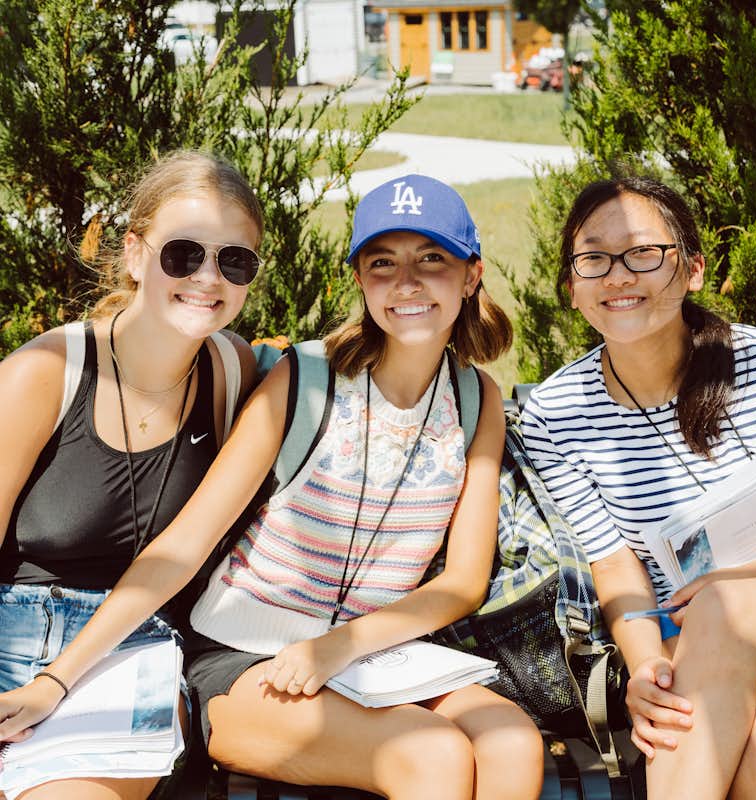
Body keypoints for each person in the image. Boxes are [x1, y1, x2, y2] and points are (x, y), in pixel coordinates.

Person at [0, 174, 544, 799]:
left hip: (367, 650)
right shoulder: (305, 379)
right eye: (383, 263)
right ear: (360, 280)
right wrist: (59, 678)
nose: (408, 283)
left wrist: (340, 647)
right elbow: (183, 546)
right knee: (433, 756)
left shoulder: (477, 398)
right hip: (243, 649)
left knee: (512, 740)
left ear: (471, 276)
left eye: (433, 260)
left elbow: (463, 581)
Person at [520, 175, 756, 799]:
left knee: (726, 610)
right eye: (593, 258)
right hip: (705, 660)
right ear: (571, 287)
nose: (618, 275)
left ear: (693, 269)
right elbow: (616, 565)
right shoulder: (555, 414)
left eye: (644, 253)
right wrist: (646, 663)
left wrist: (730, 584)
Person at [0, 149, 262, 799]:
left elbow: (177, 557)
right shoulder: (47, 374)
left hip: (129, 650)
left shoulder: (231, 373)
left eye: (234, 260)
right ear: (136, 254)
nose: (208, 278)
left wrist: (57, 679)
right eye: (184, 253)